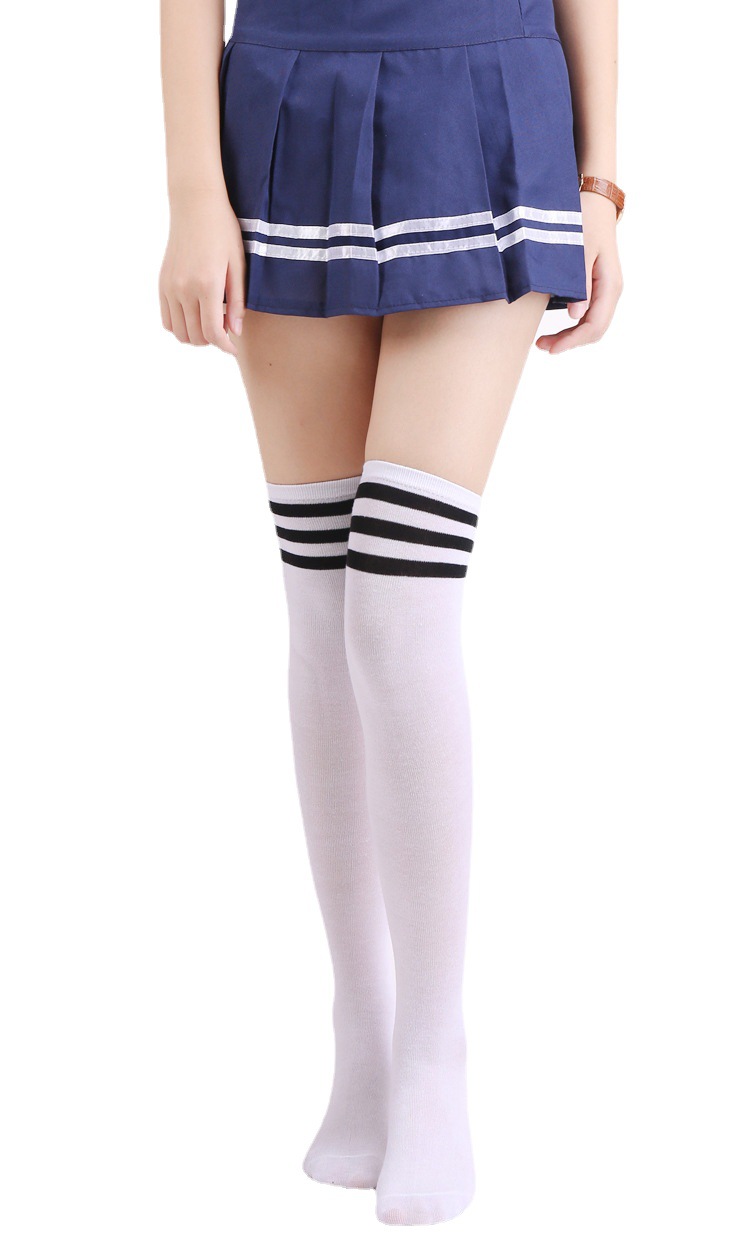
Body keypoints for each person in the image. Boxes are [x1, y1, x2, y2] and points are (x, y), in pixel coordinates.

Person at [158, 0, 623, 1227]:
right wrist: (194, 192)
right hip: (287, 99)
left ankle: (433, 1048)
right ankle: (361, 1027)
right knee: (323, 600)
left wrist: (602, 182)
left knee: (399, 607)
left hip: (486, 96)